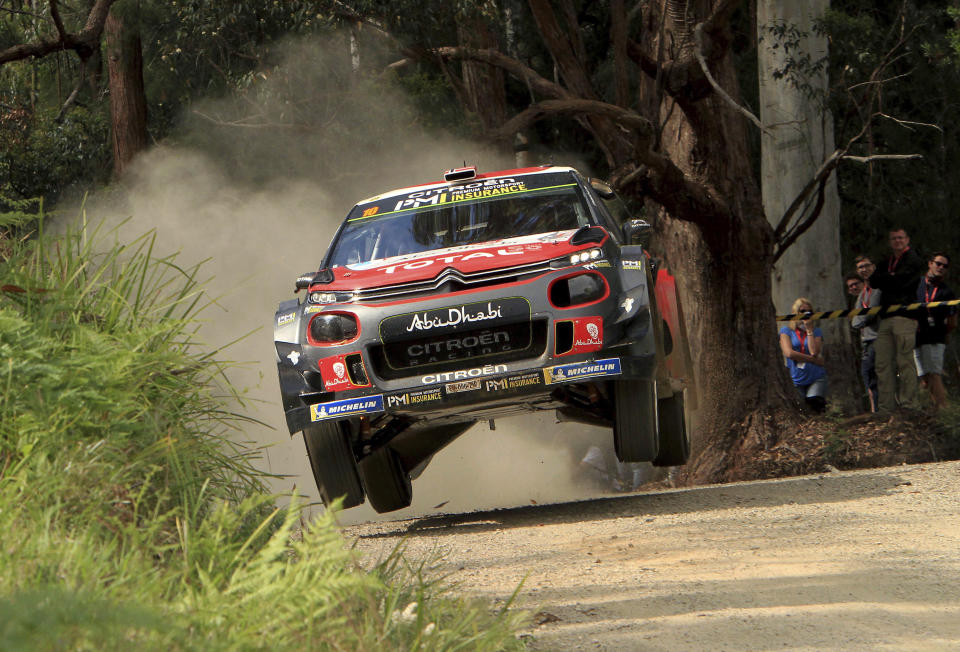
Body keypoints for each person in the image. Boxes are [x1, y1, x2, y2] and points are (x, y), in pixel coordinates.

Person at [869, 228, 926, 411]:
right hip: (885, 318)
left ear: (907, 239)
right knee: (882, 364)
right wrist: (891, 278)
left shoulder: (913, 260)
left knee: (905, 362)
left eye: (900, 238)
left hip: (905, 316)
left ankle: (909, 404)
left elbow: (903, 281)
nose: (897, 241)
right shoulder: (887, 261)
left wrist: (890, 279)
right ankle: (886, 407)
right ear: (889, 242)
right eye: (894, 238)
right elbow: (873, 281)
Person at [914, 252, 957, 410]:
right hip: (916, 337)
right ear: (930, 263)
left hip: (935, 338)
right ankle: (929, 410)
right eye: (938, 264)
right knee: (923, 377)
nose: (941, 268)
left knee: (933, 374)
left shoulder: (947, 292)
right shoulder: (917, 284)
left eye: (944, 266)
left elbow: (953, 321)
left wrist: (941, 333)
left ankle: (943, 409)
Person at [779, 297, 827, 412]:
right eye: (802, 311)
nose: (806, 314)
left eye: (809, 311)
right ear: (795, 313)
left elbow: (814, 352)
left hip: (815, 375)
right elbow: (789, 353)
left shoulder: (816, 331)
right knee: (800, 409)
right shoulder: (786, 331)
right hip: (795, 377)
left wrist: (809, 330)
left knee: (815, 404)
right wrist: (812, 360)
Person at [849, 258, 882, 412]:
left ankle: (882, 409)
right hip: (866, 341)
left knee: (878, 377)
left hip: (878, 337)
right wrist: (859, 320)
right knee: (867, 376)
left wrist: (859, 320)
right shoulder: (862, 295)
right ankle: (874, 410)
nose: (863, 269)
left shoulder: (877, 289)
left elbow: (870, 313)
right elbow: (855, 320)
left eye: (866, 266)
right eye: (860, 267)